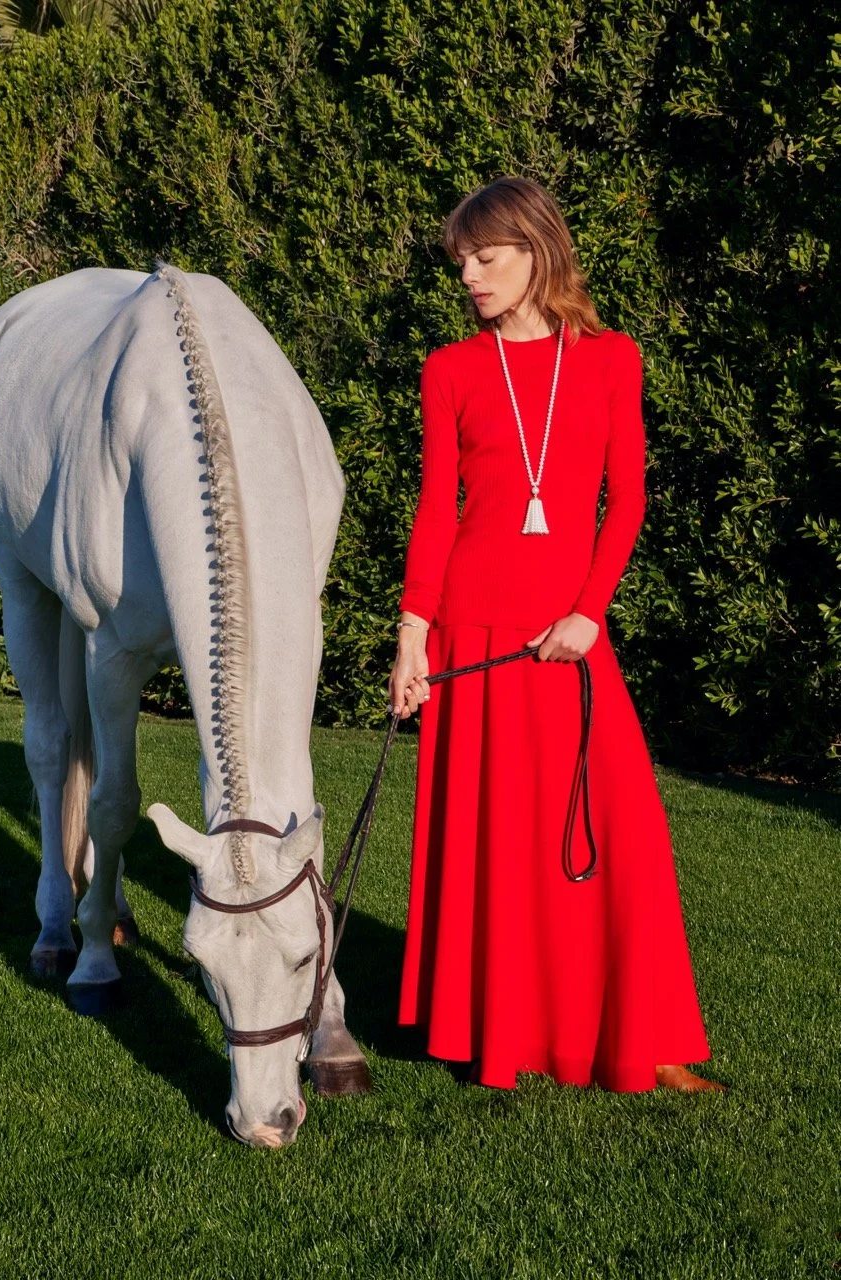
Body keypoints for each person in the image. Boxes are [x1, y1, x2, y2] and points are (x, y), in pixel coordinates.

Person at [388, 176, 725, 1093]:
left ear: (536, 250)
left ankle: (645, 1039)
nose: (468, 276)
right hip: (472, 631)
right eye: (460, 261)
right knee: (496, 841)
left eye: (485, 257)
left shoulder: (612, 358)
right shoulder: (451, 370)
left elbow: (630, 497)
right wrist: (414, 633)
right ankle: (493, 1033)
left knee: (624, 829)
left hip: (570, 631)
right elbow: (437, 511)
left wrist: (589, 610)